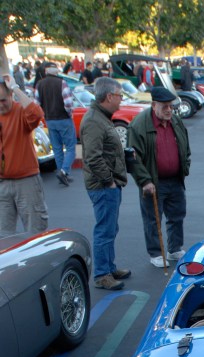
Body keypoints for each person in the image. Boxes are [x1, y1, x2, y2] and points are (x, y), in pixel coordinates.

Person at [127, 86, 190, 267]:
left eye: (171, 106)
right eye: (165, 106)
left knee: (177, 215)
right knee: (153, 219)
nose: (169, 110)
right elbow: (133, 158)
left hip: (175, 180)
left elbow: (185, 147)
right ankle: (155, 253)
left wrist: (185, 166)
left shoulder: (176, 122)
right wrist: (144, 181)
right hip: (152, 181)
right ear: (154, 105)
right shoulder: (139, 125)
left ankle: (174, 248)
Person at [79, 77, 130, 290]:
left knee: (110, 227)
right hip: (102, 186)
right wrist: (108, 181)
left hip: (108, 184)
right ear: (109, 96)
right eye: (119, 95)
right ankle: (102, 274)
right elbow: (92, 156)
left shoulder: (101, 117)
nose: (121, 100)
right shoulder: (94, 120)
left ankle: (108, 267)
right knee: (105, 230)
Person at [0, 74, 49, 237]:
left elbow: (36, 114)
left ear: (10, 96)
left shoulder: (20, 111)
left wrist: (15, 87)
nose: (0, 105)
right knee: (3, 236)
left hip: (26, 181)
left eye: (3, 100)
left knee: (35, 233)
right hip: (2, 183)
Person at [34, 63, 77, 186]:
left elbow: (36, 104)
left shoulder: (40, 84)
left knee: (57, 148)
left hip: (50, 120)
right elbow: (68, 103)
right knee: (70, 147)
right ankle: (64, 171)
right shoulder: (61, 83)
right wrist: (69, 114)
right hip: (63, 118)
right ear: (56, 72)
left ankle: (62, 172)